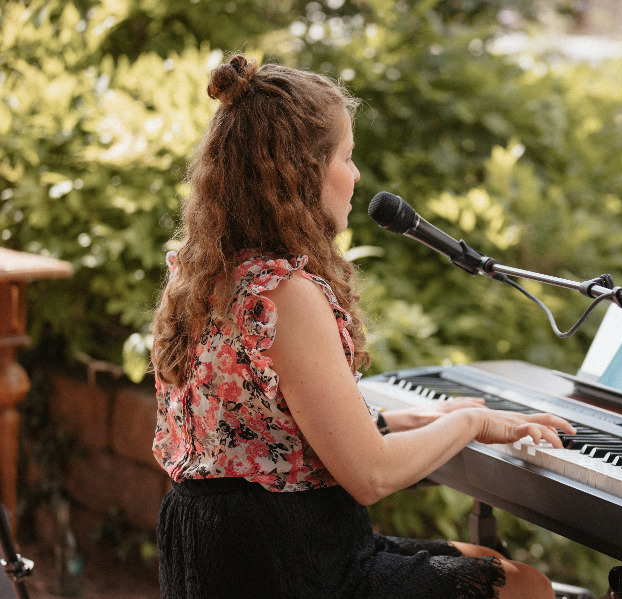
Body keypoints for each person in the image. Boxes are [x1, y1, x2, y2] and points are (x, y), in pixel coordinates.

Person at [150, 53, 576, 599]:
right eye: (346, 157)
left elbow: (268, 430)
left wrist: (418, 418)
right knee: (527, 587)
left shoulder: (206, 275)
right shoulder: (285, 295)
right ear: (301, 172)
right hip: (287, 563)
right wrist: (471, 425)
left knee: (489, 561)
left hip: (223, 549)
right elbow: (371, 477)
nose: (355, 176)